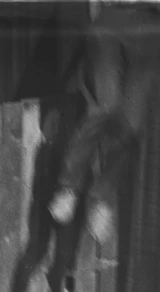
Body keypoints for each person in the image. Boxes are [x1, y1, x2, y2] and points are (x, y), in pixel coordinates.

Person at [48, 1, 160, 243]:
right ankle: (68, 186)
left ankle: (101, 198)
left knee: (131, 127)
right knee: (103, 107)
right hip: (111, 20)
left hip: (152, 29)